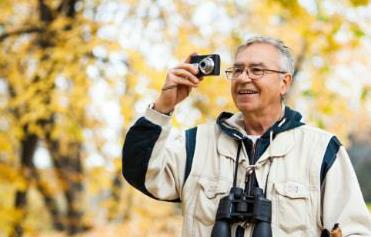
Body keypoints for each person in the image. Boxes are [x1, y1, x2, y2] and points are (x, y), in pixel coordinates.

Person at [122, 36, 371, 236]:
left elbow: (354, 230)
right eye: (238, 70)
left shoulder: (321, 149)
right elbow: (141, 172)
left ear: (284, 83)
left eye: (256, 70)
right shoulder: (197, 143)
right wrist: (163, 107)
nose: (243, 78)